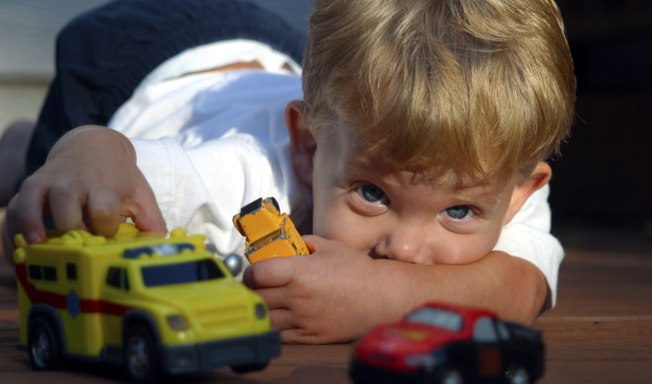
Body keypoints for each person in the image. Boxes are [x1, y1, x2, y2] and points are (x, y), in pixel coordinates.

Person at [1, 0, 575, 344]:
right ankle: (23, 147)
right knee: (51, 190)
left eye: (457, 212)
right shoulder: (243, 176)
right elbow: (111, 156)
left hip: (268, 52)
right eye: (373, 194)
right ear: (307, 146)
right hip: (131, 61)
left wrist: (382, 296)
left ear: (522, 192)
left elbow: (523, 288)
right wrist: (79, 152)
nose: (404, 249)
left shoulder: (490, 161)